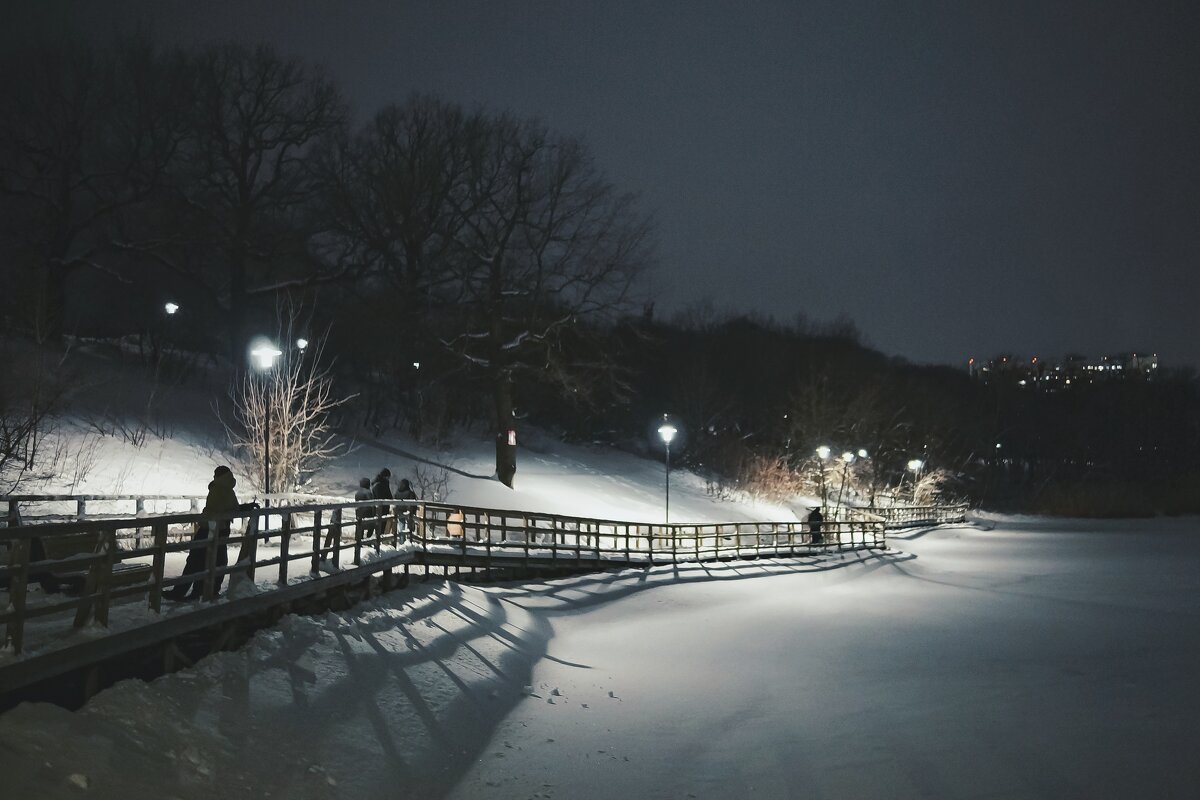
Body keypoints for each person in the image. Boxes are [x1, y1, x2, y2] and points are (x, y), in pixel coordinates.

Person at [167, 466, 254, 600]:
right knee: (213, 562)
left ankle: (187, 592)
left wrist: (241, 509)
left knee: (197, 561)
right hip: (219, 530)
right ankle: (203, 591)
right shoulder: (225, 489)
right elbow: (230, 510)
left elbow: (224, 509)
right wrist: (244, 508)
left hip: (209, 529)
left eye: (215, 475)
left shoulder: (219, 488)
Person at [371, 468, 394, 539]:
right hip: (383, 507)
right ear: (385, 476)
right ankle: (379, 540)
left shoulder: (375, 483)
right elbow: (387, 495)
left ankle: (378, 539)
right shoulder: (382, 484)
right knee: (382, 524)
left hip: (377, 507)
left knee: (378, 523)